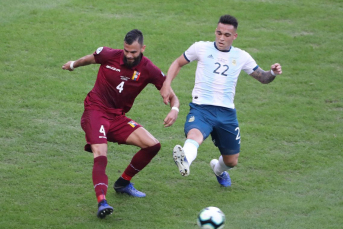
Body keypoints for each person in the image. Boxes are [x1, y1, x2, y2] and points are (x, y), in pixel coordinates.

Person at [62, 29, 179, 219]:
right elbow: (90, 59)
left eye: (133, 52)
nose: (129, 55)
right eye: (126, 50)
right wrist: (73, 64)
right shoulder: (109, 55)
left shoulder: (149, 69)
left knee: (153, 145)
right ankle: (102, 202)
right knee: (100, 153)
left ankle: (123, 183)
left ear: (143, 48)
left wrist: (174, 109)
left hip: (117, 117)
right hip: (95, 111)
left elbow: (171, 94)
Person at [160, 15, 282, 188]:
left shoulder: (241, 56)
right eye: (218, 33)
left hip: (226, 114)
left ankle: (218, 170)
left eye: (226, 35)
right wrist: (167, 84)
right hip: (201, 108)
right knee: (194, 135)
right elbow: (178, 63)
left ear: (234, 36)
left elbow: (263, 78)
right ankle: (185, 158)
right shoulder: (200, 48)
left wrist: (273, 73)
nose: (221, 38)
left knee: (231, 161)